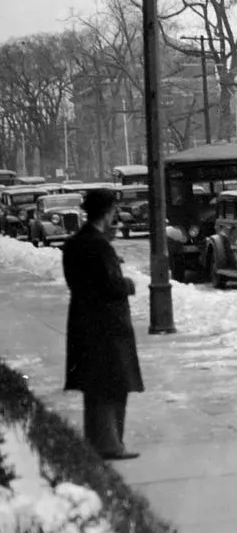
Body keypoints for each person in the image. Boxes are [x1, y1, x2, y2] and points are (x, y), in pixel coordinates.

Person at [61, 188, 143, 460]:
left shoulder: (74, 244)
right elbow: (111, 285)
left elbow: (77, 282)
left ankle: (95, 442)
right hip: (108, 327)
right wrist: (129, 284)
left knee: (94, 387)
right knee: (113, 385)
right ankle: (110, 444)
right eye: (114, 211)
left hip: (83, 322)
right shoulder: (101, 246)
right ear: (107, 213)